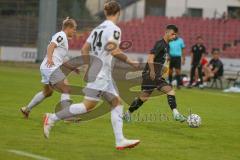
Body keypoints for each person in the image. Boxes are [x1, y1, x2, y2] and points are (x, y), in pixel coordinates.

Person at [43, 1, 140, 150]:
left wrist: (90, 65)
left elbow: (84, 49)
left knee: (117, 102)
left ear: (106, 12)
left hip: (101, 73)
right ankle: (52, 117)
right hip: (101, 74)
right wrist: (131, 61)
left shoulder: (97, 29)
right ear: (118, 13)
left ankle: (120, 140)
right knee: (87, 106)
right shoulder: (114, 29)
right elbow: (114, 51)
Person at [123, 25, 187, 123]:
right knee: (170, 91)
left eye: (175, 35)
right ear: (167, 32)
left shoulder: (167, 46)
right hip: (151, 73)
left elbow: (161, 58)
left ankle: (127, 114)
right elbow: (150, 58)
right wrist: (152, 71)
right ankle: (176, 114)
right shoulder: (160, 44)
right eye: (173, 34)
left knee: (144, 97)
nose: (174, 36)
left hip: (153, 74)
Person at [20, 17, 78, 118]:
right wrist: (50, 59)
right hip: (50, 66)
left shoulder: (64, 39)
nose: (75, 31)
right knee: (66, 88)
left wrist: (72, 68)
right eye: (74, 29)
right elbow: (51, 46)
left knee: (48, 92)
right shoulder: (61, 35)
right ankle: (67, 115)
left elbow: (61, 59)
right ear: (68, 27)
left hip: (47, 67)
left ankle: (26, 109)